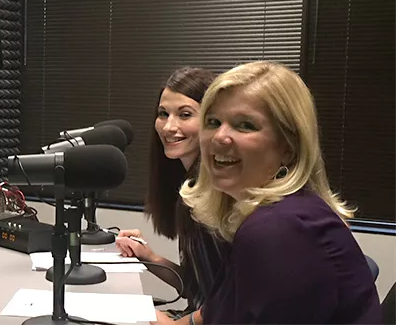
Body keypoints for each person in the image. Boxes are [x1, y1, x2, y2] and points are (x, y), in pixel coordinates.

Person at [154, 61, 381, 324]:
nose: (219, 137)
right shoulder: (261, 215)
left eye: (245, 125)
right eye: (214, 122)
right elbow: (222, 310)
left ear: (289, 146)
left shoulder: (280, 228)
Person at [114, 67, 228, 317]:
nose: (168, 127)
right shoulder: (189, 186)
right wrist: (149, 257)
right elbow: (199, 290)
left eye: (185, 114)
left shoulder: (219, 193)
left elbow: (236, 301)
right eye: (163, 114)